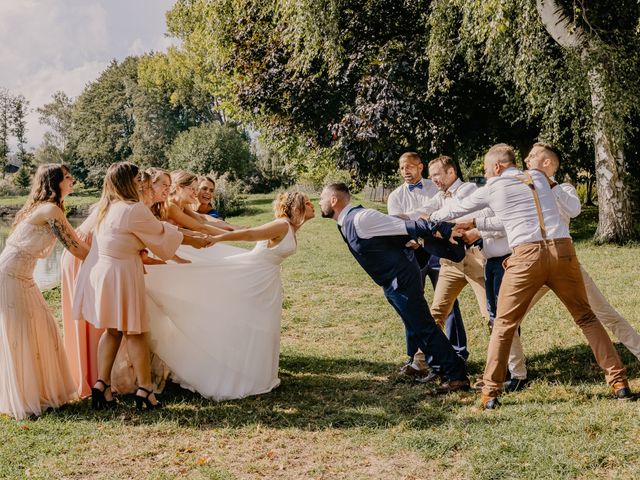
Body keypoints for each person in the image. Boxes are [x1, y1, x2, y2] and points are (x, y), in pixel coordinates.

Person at [429, 143, 630, 409]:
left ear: (497, 166)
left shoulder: (494, 186)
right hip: (564, 251)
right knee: (586, 317)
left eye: (488, 169)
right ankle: (619, 383)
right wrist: (478, 224)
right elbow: (513, 217)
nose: (487, 174)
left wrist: (429, 218)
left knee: (503, 324)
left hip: (527, 257)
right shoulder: (538, 178)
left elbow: (455, 210)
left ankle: (490, 392)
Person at [139, 191, 315, 400]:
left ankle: (255, 375)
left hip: (267, 280)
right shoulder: (282, 225)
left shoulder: (292, 227)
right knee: (247, 323)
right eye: (308, 203)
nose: (313, 205)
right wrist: (219, 237)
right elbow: (250, 235)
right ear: (296, 208)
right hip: (252, 278)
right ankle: (235, 376)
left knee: (263, 324)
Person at [319, 182, 470, 393]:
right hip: (390, 280)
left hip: (402, 277)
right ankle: (441, 368)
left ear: (334, 200)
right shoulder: (345, 222)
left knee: (423, 326)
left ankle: (456, 376)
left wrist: (444, 229)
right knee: (417, 327)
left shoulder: (362, 218)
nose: (320, 202)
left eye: (322, 198)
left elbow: (407, 226)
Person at [72, 162, 189, 411]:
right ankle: (145, 390)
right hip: (122, 273)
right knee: (136, 332)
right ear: (128, 183)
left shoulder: (107, 208)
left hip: (105, 272)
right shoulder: (133, 209)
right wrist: (195, 240)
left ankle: (101, 385)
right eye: (137, 180)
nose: (141, 184)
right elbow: (160, 234)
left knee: (113, 331)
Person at [522, 144, 640, 361]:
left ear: (547, 162)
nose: (526, 160)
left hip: (565, 264)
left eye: (532, 156)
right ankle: (515, 372)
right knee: (507, 320)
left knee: (606, 313)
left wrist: (550, 185)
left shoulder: (564, 189)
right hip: (533, 263)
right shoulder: (523, 190)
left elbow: (574, 210)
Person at [0, 164, 90, 419]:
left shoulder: (49, 208)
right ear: (55, 182)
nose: (73, 180)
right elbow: (75, 247)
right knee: (22, 335)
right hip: (10, 276)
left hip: (23, 276)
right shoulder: (50, 210)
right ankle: (27, 400)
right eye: (68, 177)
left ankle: (42, 393)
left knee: (43, 328)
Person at [386, 152, 465, 380]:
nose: (405, 171)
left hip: (440, 251)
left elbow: (445, 217)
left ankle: (458, 351)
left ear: (420, 166)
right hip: (413, 253)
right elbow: (398, 225)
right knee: (413, 304)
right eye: (401, 168)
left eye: (409, 167)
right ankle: (416, 357)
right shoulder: (395, 196)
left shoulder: (437, 186)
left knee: (448, 302)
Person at [168, 171, 235, 235]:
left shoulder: (184, 206)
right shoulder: (171, 206)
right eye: (192, 189)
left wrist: (233, 228)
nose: (195, 192)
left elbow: (202, 219)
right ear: (178, 188)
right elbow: (200, 227)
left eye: (211, 190)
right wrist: (235, 234)